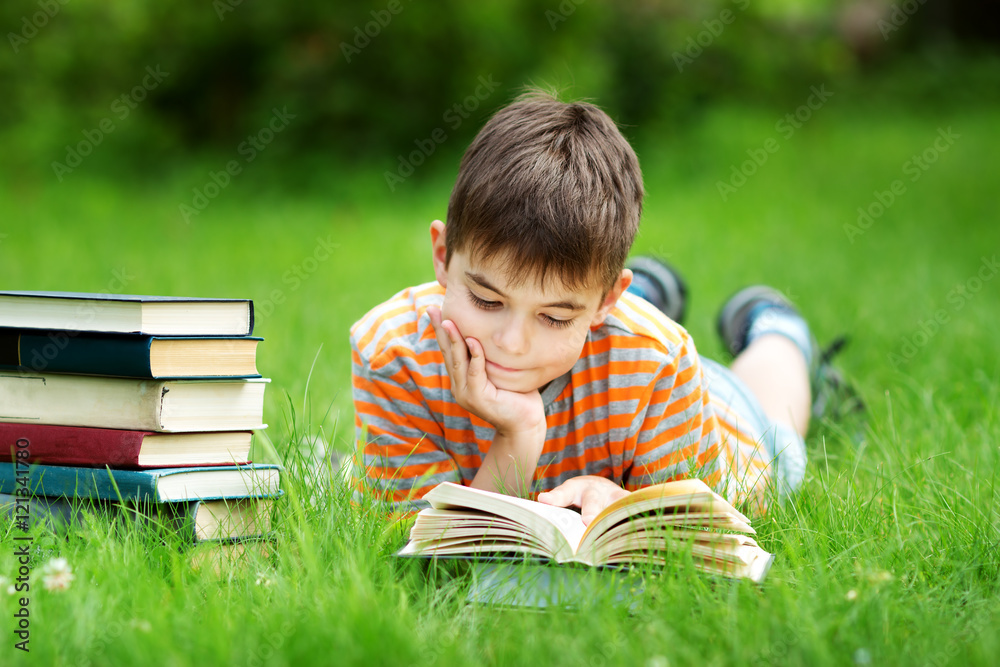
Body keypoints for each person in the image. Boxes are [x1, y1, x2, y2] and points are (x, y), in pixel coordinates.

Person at [350, 89, 840, 522]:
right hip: (609, 358)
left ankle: (776, 325)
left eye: (554, 315)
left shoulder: (659, 361)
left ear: (607, 299)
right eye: (486, 299)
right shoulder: (393, 354)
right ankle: (639, 292)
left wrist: (628, 506)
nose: (511, 344)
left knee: (777, 427)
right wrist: (517, 437)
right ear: (442, 255)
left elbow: (708, 527)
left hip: (697, 410)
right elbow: (422, 546)